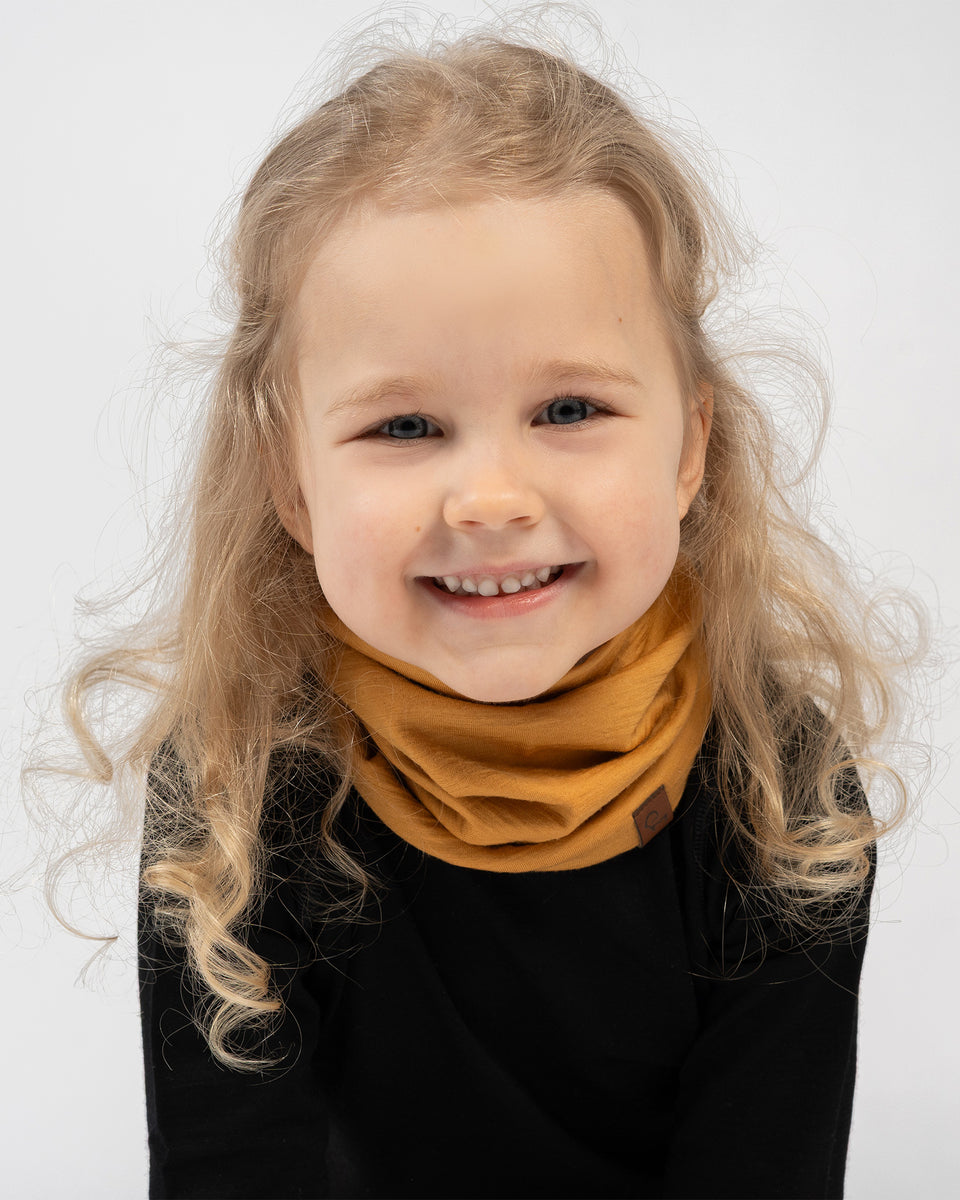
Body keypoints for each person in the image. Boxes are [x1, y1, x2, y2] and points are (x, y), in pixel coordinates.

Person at [58, 11, 915, 1199]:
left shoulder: (781, 791)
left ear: (689, 450)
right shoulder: (234, 781)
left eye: (569, 410)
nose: (493, 499)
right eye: (406, 425)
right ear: (291, 485)